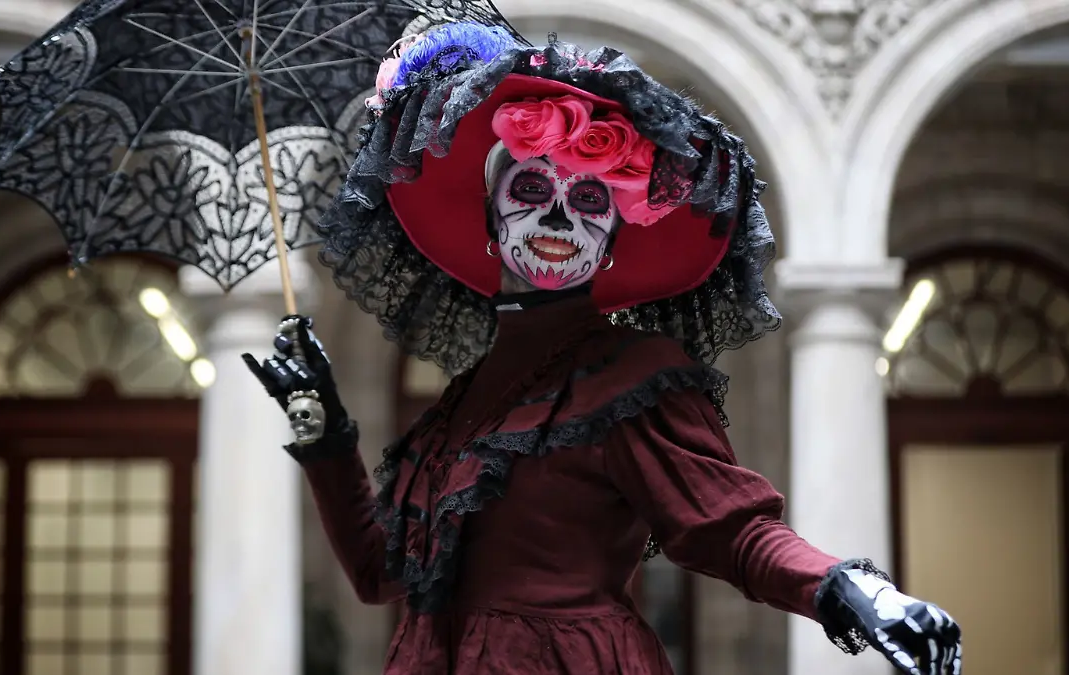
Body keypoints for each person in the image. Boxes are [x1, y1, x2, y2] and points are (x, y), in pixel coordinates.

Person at [244, 21, 961, 675]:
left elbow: (734, 532)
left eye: (590, 200)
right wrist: (324, 430)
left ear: (613, 237)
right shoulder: (463, 402)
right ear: (492, 218)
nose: (559, 215)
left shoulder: (632, 374)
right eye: (532, 186)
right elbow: (380, 574)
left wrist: (858, 592)